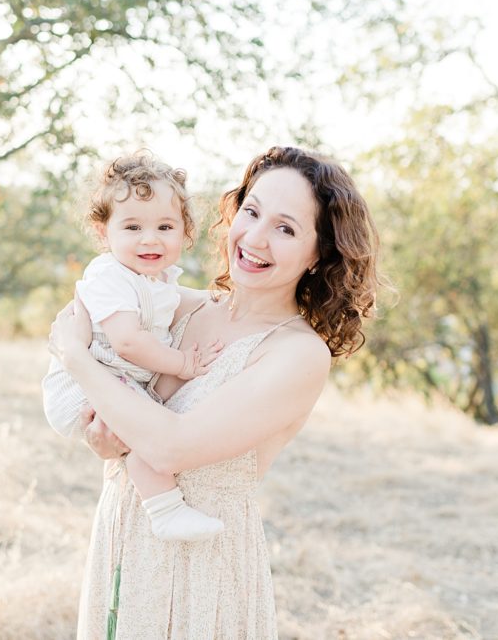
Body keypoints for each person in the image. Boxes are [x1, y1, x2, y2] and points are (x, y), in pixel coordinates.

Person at [47, 146, 383, 639]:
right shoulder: (178, 305)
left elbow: (169, 446)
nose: (256, 238)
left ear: (318, 254)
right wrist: (102, 440)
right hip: (124, 539)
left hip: (204, 571)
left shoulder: (296, 353)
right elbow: (83, 323)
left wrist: (76, 358)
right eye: (252, 212)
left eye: (286, 228)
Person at [42, 151, 225, 542]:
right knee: (146, 428)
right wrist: (182, 365)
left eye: (165, 225)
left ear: (185, 231)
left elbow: (186, 300)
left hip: (110, 379)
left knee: (147, 420)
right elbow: (127, 342)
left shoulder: (155, 279)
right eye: (132, 227)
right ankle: (165, 510)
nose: (150, 238)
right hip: (80, 389)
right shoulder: (110, 275)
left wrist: (222, 301)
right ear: (103, 232)